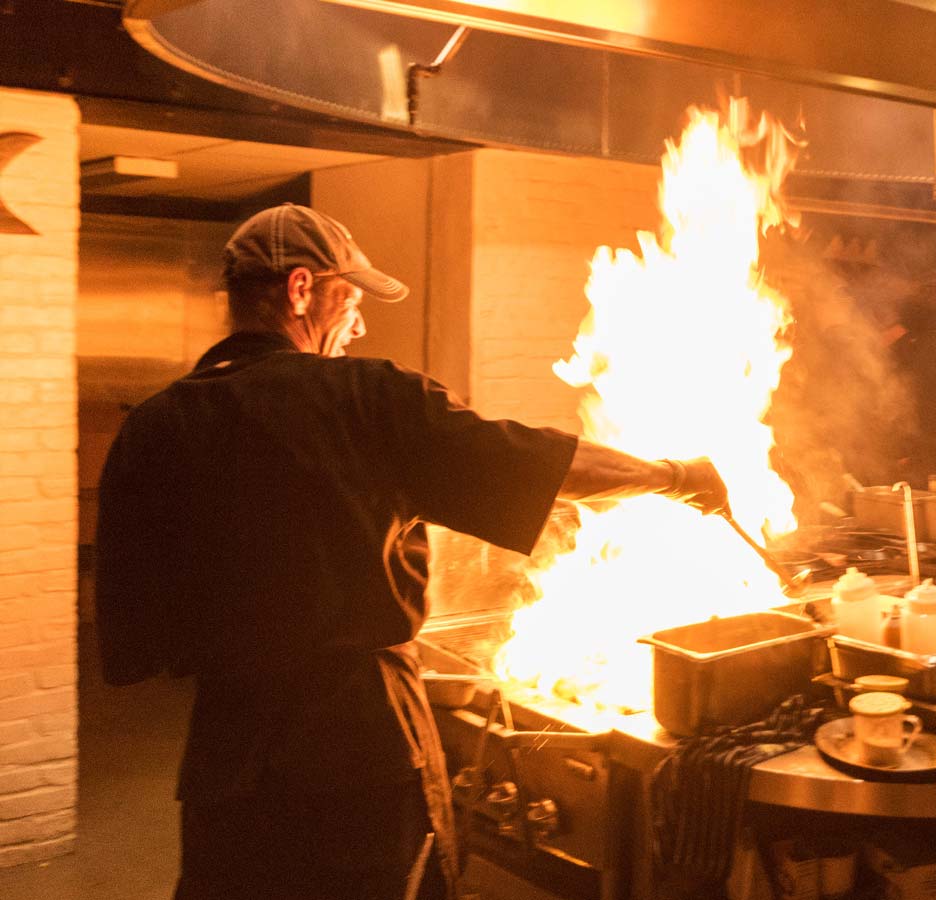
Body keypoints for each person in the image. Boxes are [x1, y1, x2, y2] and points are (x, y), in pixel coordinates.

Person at [95, 203, 729, 900]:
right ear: (301, 289)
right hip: (357, 751)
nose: (359, 322)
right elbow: (531, 464)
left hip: (227, 760)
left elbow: (133, 650)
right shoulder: (364, 397)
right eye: (350, 298)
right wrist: (675, 478)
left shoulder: (150, 430)